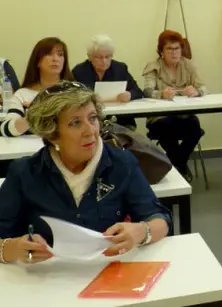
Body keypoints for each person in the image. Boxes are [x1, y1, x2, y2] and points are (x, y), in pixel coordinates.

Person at [0, 81, 170, 264]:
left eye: (93, 118)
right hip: (45, 278)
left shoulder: (122, 163)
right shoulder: (25, 172)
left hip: (107, 273)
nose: (90, 131)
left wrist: (143, 231)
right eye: (75, 123)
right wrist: (11, 249)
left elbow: (160, 219)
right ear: (52, 133)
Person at [142, 30, 207, 180]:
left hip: (183, 114)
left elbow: (204, 87)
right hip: (160, 116)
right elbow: (146, 91)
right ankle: (181, 167)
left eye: (177, 48)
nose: (174, 52)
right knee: (166, 128)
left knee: (195, 127)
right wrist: (161, 94)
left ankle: (176, 166)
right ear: (161, 51)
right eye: (169, 49)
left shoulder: (188, 65)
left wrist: (196, 91)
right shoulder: (153, 66)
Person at [0, 37, 74, 137]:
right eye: (49, 54)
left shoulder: (75, 93)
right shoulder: (23, 94)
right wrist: (34, 115)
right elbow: (4, 129)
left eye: (60, 54)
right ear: (38, 61)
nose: (55, 59)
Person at [72, 35, 143, 129]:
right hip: (91, 120)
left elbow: (138, 91)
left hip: (121, 120)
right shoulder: (79, 71)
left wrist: (129, 95)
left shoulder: (120, 68)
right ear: (90, 57)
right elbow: (72, 96)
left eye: (107, 56)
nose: (104, 61)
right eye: (99, 57)